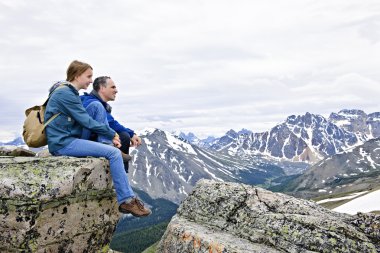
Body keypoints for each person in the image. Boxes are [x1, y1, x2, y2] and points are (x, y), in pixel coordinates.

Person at [45, 60, 151, 217]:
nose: (90, 80)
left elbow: (89, 119)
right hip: (63, 143)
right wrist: (111, 134)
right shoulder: (65, 93)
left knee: (96, 106)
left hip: (69, 137)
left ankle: (107, 146)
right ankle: (127, 201)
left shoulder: (69, 92)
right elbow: (86, 121)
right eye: (88, 76)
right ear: (77, 75)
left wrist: (111, 135)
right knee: (113, 154)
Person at [80, 76, 142, 173]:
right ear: (102, 88)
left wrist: (130, 134)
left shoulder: (98, 103)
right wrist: (131, 134)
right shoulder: (92, 103)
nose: (116, 91)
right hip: (82, 139)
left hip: (90, 137)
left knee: (123, 136)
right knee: (124, 137)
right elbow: (110, 123)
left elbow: (110, 122)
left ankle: (121, 172)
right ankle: (118, 169)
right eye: (113, 87)